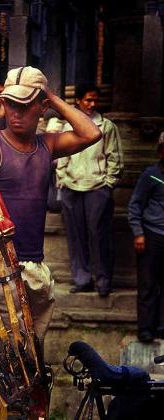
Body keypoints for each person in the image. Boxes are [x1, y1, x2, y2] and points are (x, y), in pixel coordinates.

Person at [0, 66, 101, 343]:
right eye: (11, 104)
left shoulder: (47, 145)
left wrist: (52, 98)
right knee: (5, 353)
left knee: (33, 350)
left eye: (25, 105)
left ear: (42, 107)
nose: (16, 113)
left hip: (34, 267)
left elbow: (91, 133)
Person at [56, 83, 123, 297]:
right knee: (76, 236)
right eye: (88, 100)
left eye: (95, 100)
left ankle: (103, 281)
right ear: (78, 101)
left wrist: (108, 183)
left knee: (99, 235)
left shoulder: (106, 126)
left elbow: (114, 157)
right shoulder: (68, 126)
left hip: (97, 187)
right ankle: (82, 280)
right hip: (71, 186)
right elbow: (62, 155)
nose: (92, 104)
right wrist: (62, 179)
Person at [128, 133, 164, 343]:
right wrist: (138, 233)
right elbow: (135, 205)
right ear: (160, 151)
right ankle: (145, 329)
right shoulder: (151, 175)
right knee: (148, 284)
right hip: (152, 236)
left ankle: (161, 327)